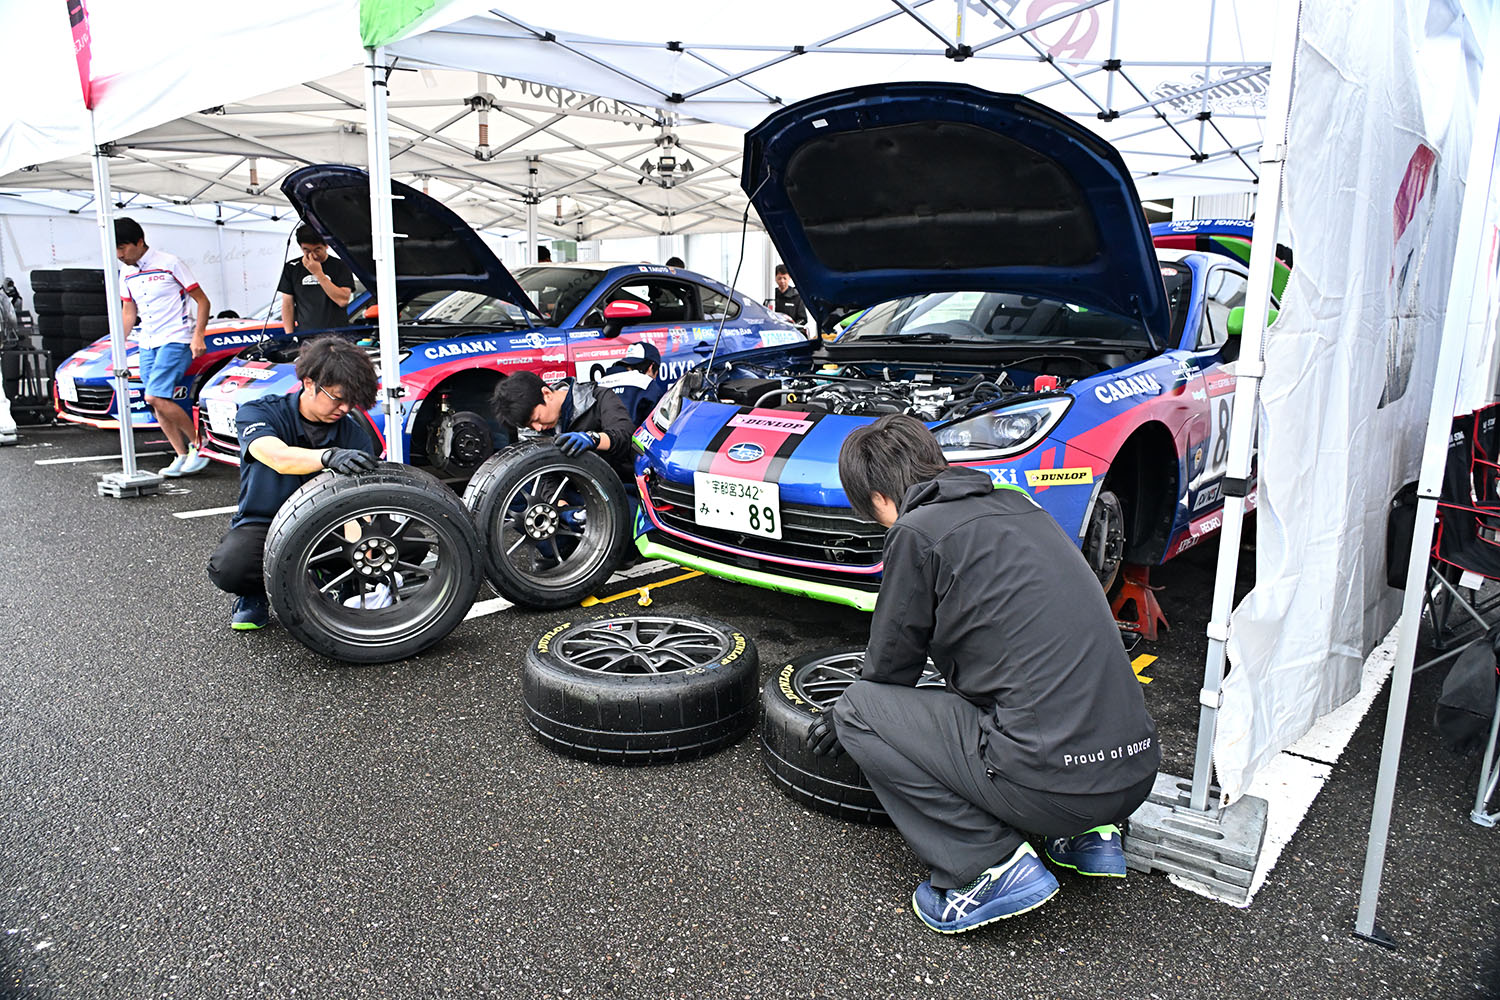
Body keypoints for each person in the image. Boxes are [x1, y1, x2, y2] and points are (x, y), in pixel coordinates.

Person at [807, 414, 1160, 934]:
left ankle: (985, 867)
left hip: (1055, 789)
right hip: (1134, 774)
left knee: (859, 709)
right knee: (1020, 676)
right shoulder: (1021, 506)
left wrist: (841, 716)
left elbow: (889, 671)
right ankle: (1090, 838)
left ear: (878, 497)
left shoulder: (916, 530)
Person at [205, 336, 380, 630]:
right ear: (309, 383)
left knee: (395, 541)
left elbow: (358, 505)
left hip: (329, 525)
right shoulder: (259, 412)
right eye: (338, 398)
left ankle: (336, 578)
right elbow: (277, 457)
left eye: (352, 402)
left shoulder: (354, 435)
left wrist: (361, 548)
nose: (345, 408)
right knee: (230, 567)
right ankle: (254, 594)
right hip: (267, 524)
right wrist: (327, 457)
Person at [115, 216, 212, 477]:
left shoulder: (170, 263)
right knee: (157, 402)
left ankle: (199, 444)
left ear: (139, 242)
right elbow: (128, 312)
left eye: (123, 248)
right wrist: (118, 345)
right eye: (116, 250)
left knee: (154, 396)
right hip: (147, 341)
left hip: (176, 337)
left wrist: (198, 336)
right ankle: (181, 454)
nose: (120, 255)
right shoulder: (126, 272)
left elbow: (203, 301)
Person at [490, 370, 634, 481]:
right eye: (530, 426)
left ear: (547, 394)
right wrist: (561, 506)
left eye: (537, 418)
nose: (538, 428)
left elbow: (625, 435)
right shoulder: (531, 432)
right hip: (573, 493)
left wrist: (593, 439)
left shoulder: (597, 398)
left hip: (619, 484)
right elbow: (544, 476)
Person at [278, 223, 355, 335]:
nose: (313, 256)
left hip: (336, 334)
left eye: (317, 249)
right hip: (305, 334)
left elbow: (342, 300)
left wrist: (318, 273)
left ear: (326, 246)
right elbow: (287, 304)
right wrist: (290, 334)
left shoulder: (340, 266)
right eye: (307, 250)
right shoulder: (292, 267)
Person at [597, 341, 667, 427]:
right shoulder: (647, 385)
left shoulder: (601, 382)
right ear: (651, 367)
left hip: (598, 434)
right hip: (630, 434)